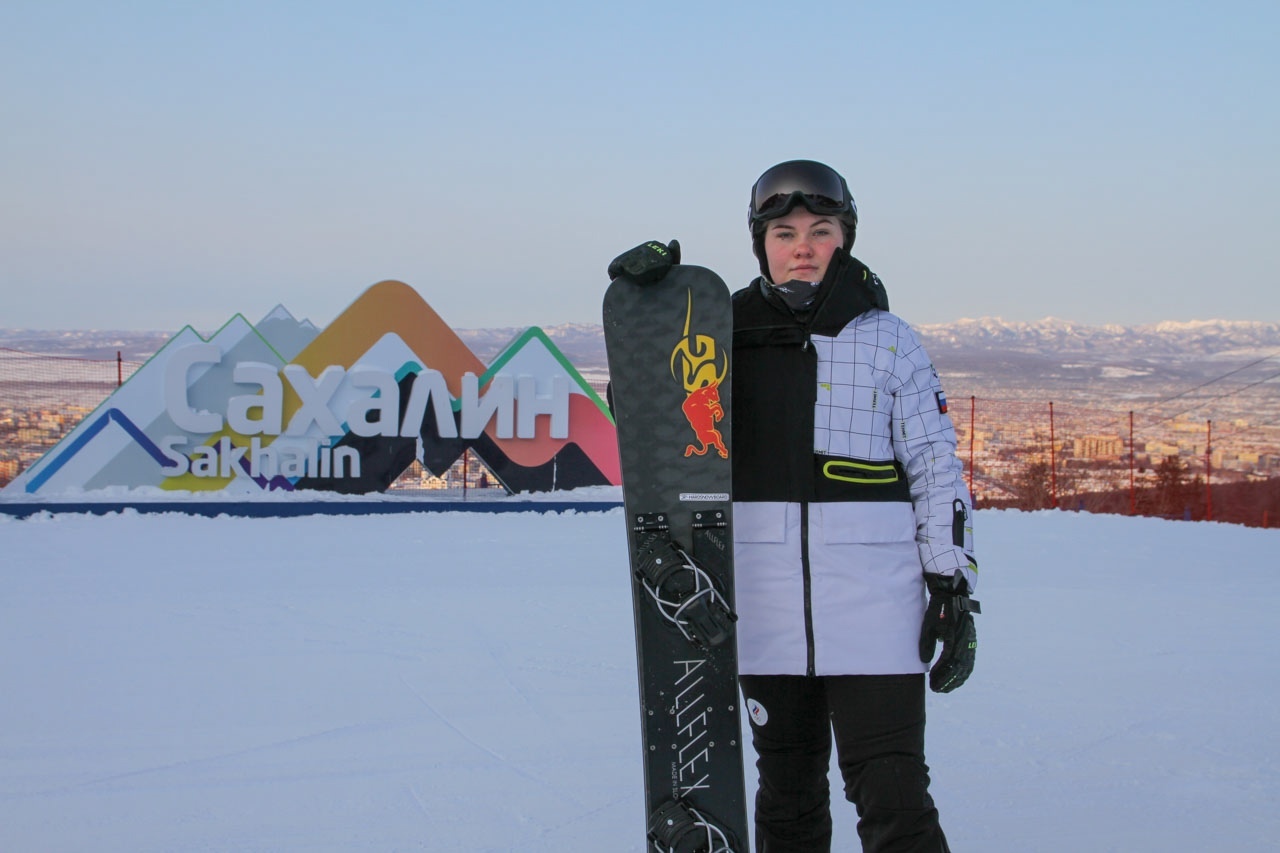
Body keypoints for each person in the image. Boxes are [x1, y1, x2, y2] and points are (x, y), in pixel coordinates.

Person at [609, 159, 979, 853]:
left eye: (820, 231)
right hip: (764, 605)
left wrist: (951, 583)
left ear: (846, 238)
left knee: (894, 793)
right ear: (762, 244)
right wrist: (648, 316)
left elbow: (936, 468)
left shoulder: (888, 338)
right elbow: (649, 423)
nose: (802, 247)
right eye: (784, 233)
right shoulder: (720, 333)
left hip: (876, 605)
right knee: (787, 795)